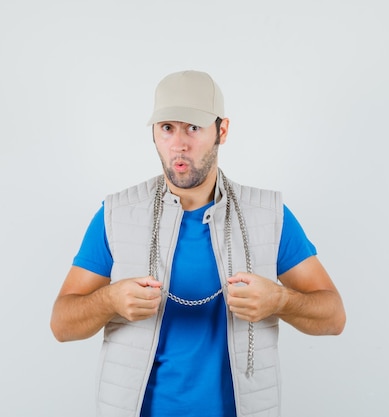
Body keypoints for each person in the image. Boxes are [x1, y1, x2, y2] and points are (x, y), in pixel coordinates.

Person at [50, 70, 345, 417]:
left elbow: (334, 316)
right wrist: (110, 300)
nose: (179, 144)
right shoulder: (117, 215)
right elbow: (62, 324)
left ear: (222, 131)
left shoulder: (267, 215)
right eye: (167, 128)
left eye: (193, 127)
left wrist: (279, 299)